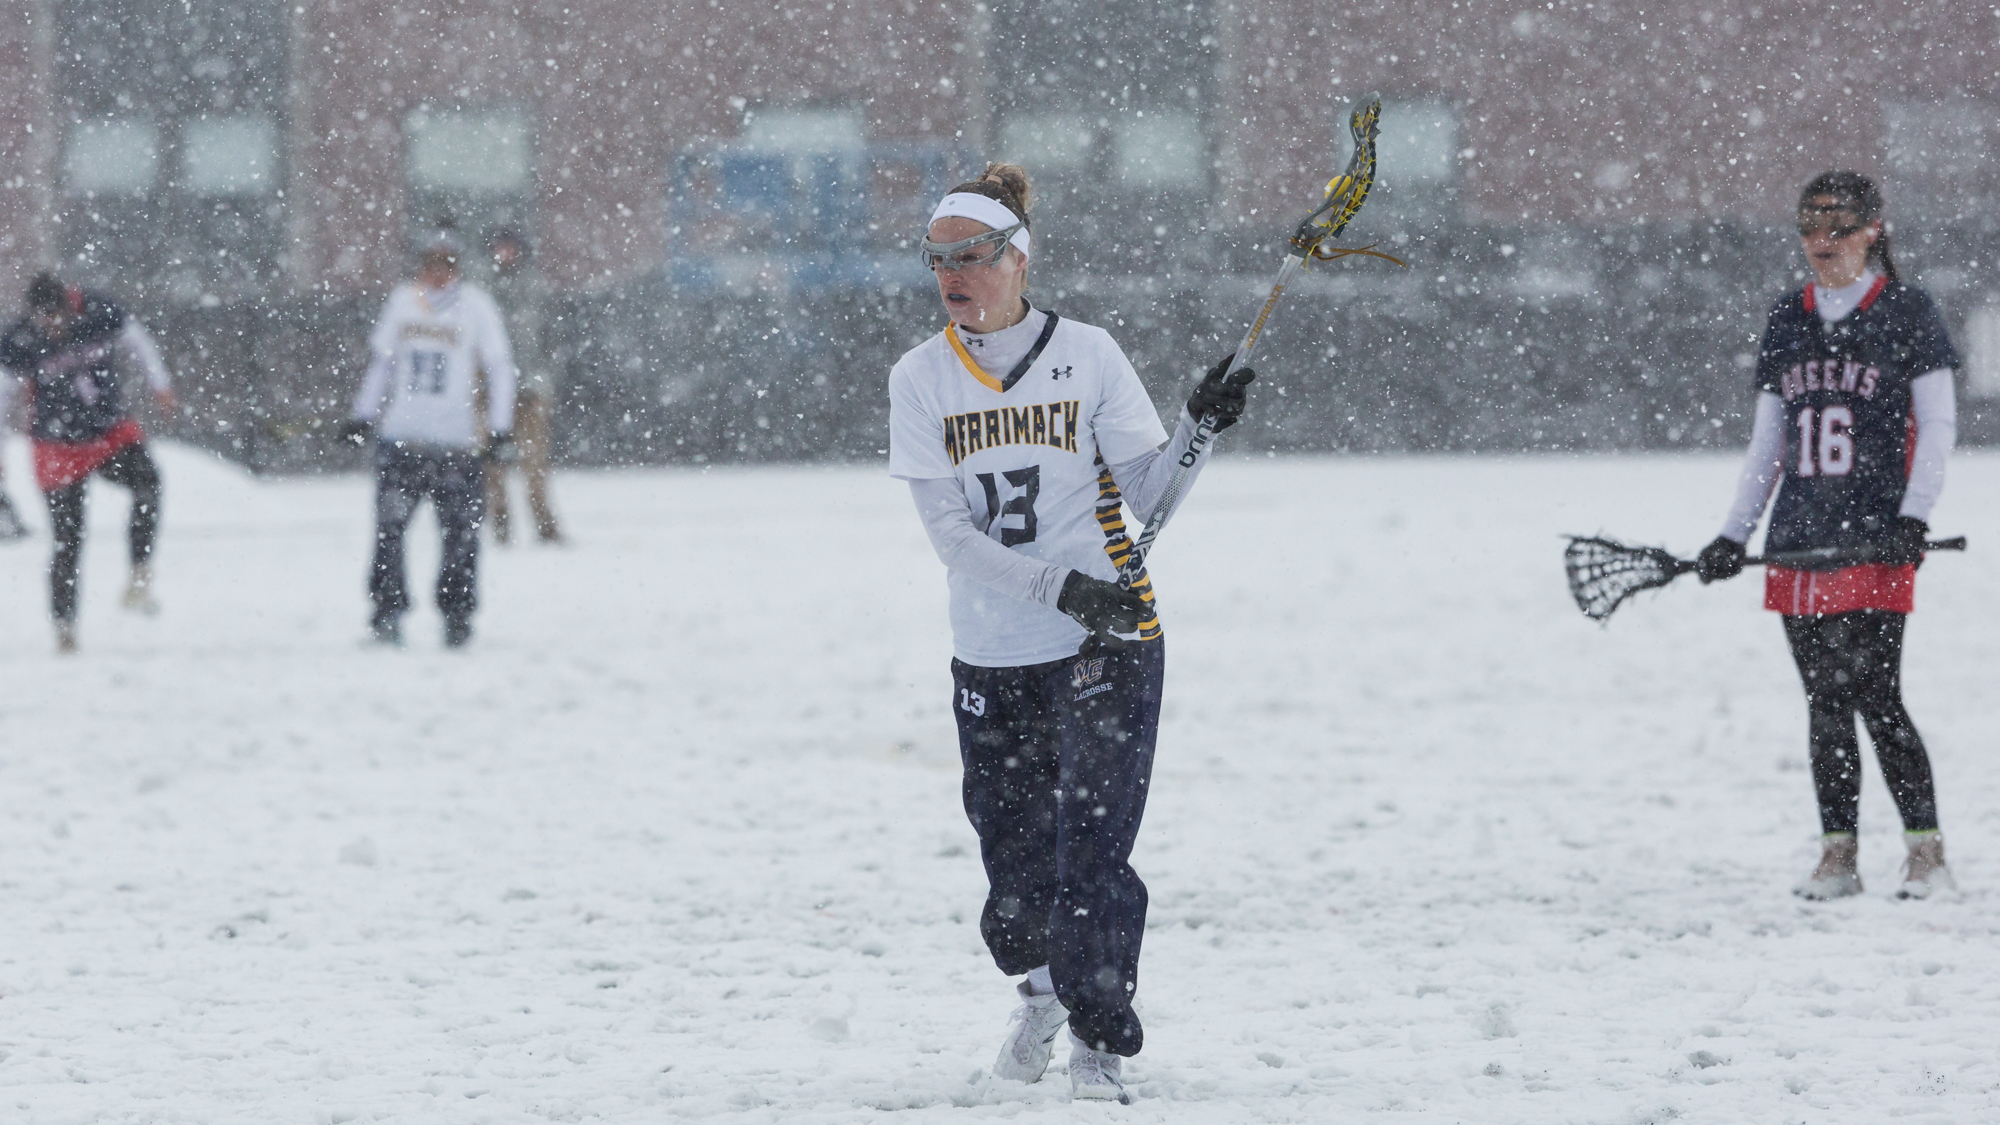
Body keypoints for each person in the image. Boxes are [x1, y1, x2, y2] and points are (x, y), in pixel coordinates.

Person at [887, 164, 1254, 1103]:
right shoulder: (921, 379)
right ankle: (1045, 990)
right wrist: (1061, 588)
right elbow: (949, 537)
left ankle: (1101, 1037)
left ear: (1017, 257)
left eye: (970, 256)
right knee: (1014, 889)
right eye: (938, 261)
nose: (951, 276)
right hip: (997, 650)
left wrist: (1197, 429)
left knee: (1089, 852)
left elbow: (1150, 494)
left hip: (1110, 640)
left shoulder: (1087, 354)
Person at [1694, 171, 1958, 900]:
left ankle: (1926, 852)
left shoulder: (1906, 312)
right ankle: (1837, 855)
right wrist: (1732, 532)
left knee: (1878, 694)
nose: (1821, 242)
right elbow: (1769, 441)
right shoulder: (1788, 316)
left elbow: (1937, 424)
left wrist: (1914, 514)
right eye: (1810, 227)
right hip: (1802, 535)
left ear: (1872, 230)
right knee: (1823, 702)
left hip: (1875, 534)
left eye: (1837, 227)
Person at [342, 230, 518, 648]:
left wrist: (499, 429)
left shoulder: (476, 307)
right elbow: (382, 364)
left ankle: (457, 615)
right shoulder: (403, 302)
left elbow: (499, 366)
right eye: (431, 262)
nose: (438, 272)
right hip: (402, 439)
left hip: (455, 444)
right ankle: (387, 611)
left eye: (447, 263)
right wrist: (362, 416)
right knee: (390, 530)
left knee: (461, 535)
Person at [0, 273, 177, 652]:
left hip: (107, 433)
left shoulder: (98, 310)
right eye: (43, 319)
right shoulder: (20, 339)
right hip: (56, 448)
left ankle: (139, 574)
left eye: (56, 316)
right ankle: (65, 628)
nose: (52, 326)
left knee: (149, 483)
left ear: (69, 304)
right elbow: (4, 393)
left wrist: (160, 385)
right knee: (68, 541)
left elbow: (138, 343)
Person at [481, 229, 564, 545]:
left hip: (531, 389)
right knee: (493, 466)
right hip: (492, 391)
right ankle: (500, 525)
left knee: (535, 464)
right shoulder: (483, 292)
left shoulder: (534, 289)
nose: (505, 254)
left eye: (509, 248)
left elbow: (549, 340)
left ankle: (544, 524)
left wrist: (542, 380)